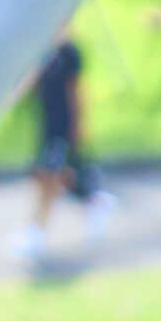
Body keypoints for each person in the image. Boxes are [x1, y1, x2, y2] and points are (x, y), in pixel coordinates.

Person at [9, 15, 113, 263]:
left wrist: (79, 127)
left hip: (63, 127)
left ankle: (36, 234)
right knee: (62, 176)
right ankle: (95, 202)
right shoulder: (45, 51)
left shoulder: (70, 53)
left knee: (48, 178)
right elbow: (31, 81)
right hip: (48, 125)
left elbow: (75, 93)